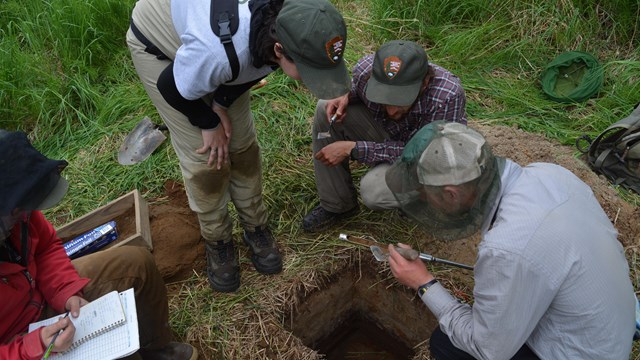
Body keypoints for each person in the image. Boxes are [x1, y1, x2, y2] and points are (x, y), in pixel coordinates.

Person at [126, 0, 350, 292]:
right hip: (159, 40)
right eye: (309, 72)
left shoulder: (290, 24)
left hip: (222, 43)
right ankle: (218, 239)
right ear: (280, 49)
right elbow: (172, 87)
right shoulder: (219, 54)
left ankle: (255, 226)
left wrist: (221, 102)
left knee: (242, 145)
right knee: (207, 158)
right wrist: (208, 122)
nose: (312, 83)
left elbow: (255, 70)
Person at [385, 121, 636, 359]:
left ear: (451, 194)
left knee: (445, 345)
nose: (428, 203)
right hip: (609, 332)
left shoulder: (507, 247)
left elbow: (488, 351)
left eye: (428, 196)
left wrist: (423, 282)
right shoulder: (549, 173)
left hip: (582, 353)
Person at [0, 130, 196, 359]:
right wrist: (32, 346)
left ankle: (156, 350)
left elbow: (45, 248)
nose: (25, 215)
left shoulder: (17, 209)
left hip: (41, 300)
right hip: (16, 347)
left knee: (136, 264)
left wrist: (66, 290)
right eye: (16, 210)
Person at [302, 40, 467, 233]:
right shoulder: (365, 71)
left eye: (400, 100)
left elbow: (426, 156)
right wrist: (346, 95)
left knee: (374, 190)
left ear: (424, 83)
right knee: (326, 107)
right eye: (384, 96)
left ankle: (422, 200)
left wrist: (354, 149)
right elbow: (357, 91)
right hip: (388, 135)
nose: (391, 110)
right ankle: (337, 204)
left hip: (428, 160)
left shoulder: (446, 96)